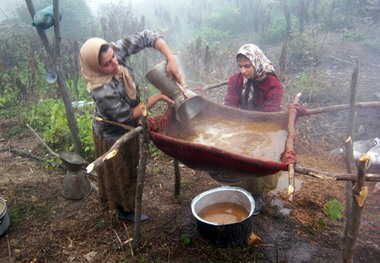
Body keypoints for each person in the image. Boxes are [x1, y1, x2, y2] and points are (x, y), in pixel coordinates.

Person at [79, 30, 183, 223]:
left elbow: (148, 36)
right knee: (122, 169)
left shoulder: (114, 51)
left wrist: (170, 58)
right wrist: (157, 97)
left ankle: (121, 200)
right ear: (96, 68)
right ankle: (125, 210)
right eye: (108, 64)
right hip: (112, 130)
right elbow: (126, 117)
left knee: (130, 164)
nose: (115, 62)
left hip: (128, 119)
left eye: (113, 57)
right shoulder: (102, 91)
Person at [215, 43, 284, 214]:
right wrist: (235, 129)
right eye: (240, 66)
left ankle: (256, 194)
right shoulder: (236, 81)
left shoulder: (273, 85)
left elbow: (270, 116)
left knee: (260, 160)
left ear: (257, 62)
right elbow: (230, 106)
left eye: (247, 66)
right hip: (240, 126)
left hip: (265, 129)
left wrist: (253, 132)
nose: (243, 71)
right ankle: (236, 186)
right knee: (234, 156)